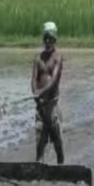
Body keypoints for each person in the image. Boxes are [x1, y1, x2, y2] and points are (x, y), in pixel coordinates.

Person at [31, 21, 65, 164]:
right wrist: (35, 94)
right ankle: (39, 166)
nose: (48, 41)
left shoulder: (58, 57)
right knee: (40, 140)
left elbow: (54, 81)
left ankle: (61, 165)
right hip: (41, 106)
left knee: (58, 141)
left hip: (52, 104)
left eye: (50, 38)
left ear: (55, 39)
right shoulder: (38, 58)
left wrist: (41, 91)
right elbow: (33, 79)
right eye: (46, 38)